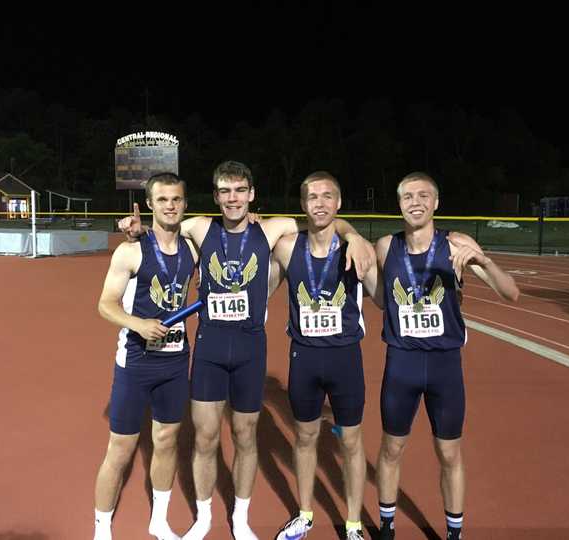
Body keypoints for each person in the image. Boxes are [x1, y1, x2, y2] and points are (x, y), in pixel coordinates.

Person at [119, 160, 374, 540]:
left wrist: (352, 234)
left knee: (245, 436)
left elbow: (324, 221)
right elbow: (164, 227)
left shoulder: (274, 228)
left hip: (251, 350)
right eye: (224, 191)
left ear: (252, 194)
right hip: (210, 348)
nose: (232, 198)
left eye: (240, 190)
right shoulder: (200, 227)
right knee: (205, 437)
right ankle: (204, 517)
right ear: (216, 196)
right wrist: (135, 231)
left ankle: (240, 518)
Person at [362, 172, 520, 540]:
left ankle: (454, 532)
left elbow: (511, 293)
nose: (414, 202)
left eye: (423, 196)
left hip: (444, 364)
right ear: (398, 203)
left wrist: (483, 259)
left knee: (449, 454)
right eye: (407, 197)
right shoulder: (387, 246)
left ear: (436, 203)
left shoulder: (457, 243)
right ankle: (386, 526)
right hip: (401, 363)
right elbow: (382, 299)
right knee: (391, 448)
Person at [93, 173, 199, 540]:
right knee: (121, 448)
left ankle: (159, 520)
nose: (170, 205)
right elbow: (105, 305)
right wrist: (137, 323)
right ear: (151, 204)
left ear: (185, 204)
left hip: (174, 360)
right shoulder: (131, 250)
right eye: (163, 199)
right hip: (136, 363)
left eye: (177, 199)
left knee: (167, 440)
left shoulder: (193, 249)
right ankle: (102, 527)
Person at [270, 172, 372, 540]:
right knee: (304, 438)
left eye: (328, 196)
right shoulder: (286, 247)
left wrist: (358, 240)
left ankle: (354, 524)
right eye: (312, 197)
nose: (320, 203)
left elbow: (380, 293)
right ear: (303, 205)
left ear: (338, 203)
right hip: (304, 357)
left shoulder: (354, 247)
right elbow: (260, 285)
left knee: (351, 441)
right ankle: (305, 514)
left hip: (345, 356)